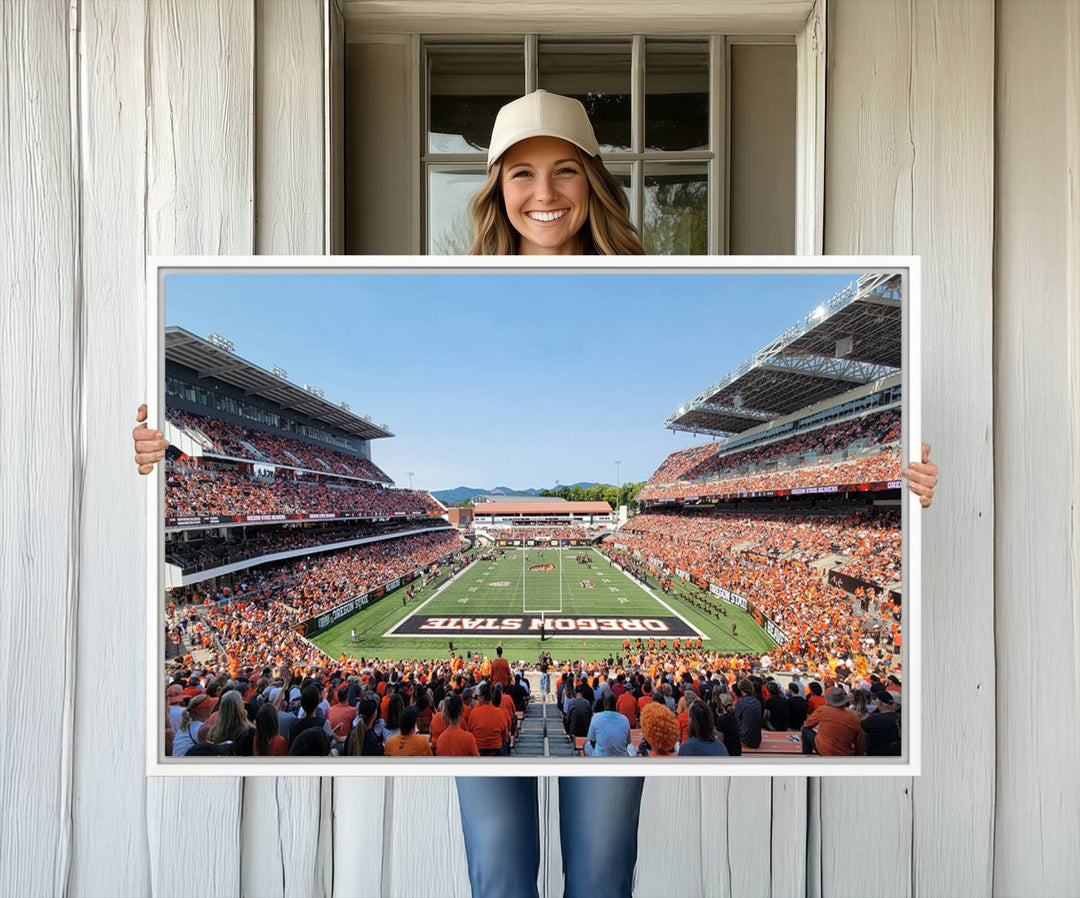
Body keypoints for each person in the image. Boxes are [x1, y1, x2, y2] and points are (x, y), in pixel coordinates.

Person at [134, 89, 939, 898]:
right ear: (495, 189)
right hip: (539, 729)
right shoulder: (449, 275)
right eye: (521, 173)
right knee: (501, 872)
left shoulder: (659, 273)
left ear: (595, 181)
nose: (544, 193)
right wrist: (152, 462)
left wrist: (912, 490)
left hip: (561, 728)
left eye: (564, 171)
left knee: (599, 871)